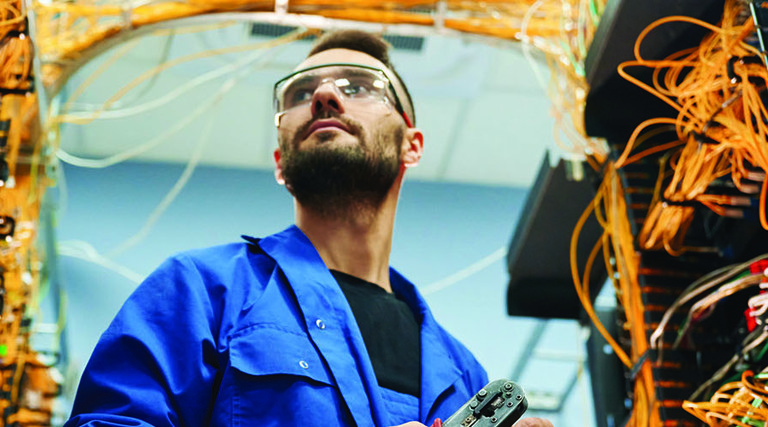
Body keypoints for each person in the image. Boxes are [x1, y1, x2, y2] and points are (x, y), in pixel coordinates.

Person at [64, 30, 553, 427]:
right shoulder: (202, 290)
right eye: (300, 92)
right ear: (280, 162)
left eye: (359, 86)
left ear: (412, 145)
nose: (322, 94)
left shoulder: (462, 374)